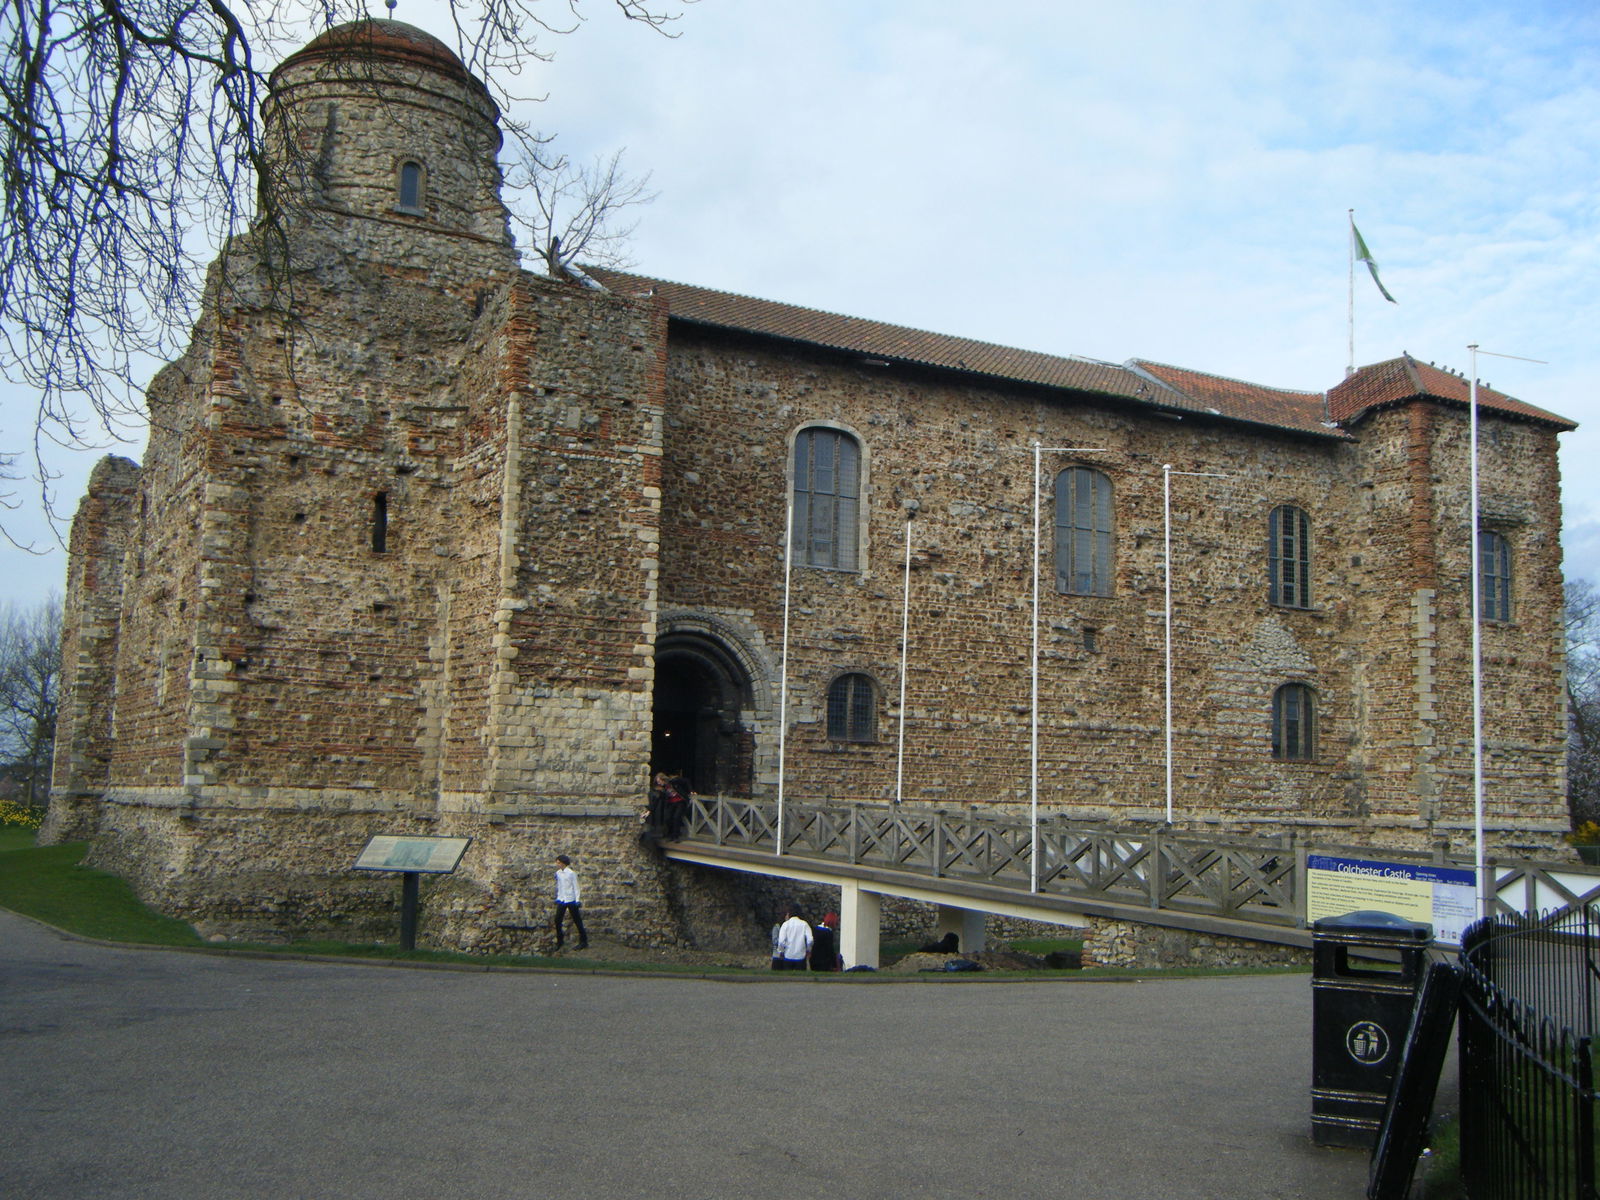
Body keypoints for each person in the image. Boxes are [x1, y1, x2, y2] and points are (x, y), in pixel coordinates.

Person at [552, 854, 588, 951]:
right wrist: (558, 897)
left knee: (577, 920)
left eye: (559, 862)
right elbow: (559, 886)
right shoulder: (558, 873)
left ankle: (583, 941)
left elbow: (576, 887)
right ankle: (560, 940)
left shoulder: (571, 873)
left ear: (563, 863)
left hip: (571, 899)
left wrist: (577, 900)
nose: (557, 864)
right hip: (562, 899)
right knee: (557, 920)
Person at [650, 771, 690, 840]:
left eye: (659, 781)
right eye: (658, 782)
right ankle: (670, 834)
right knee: (668, 818)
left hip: (680, 801)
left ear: (663, 779)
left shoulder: (673, 781)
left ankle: (676, 836)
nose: (659, 783)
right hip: (671, 803)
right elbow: (659, 799)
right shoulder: (662, 788)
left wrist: (691, 790)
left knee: (676, 817)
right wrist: (651, 809)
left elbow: (686, 781)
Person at [773, 905, 813, 970]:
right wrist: (809, 950)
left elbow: (781, 941)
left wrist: (781, 951)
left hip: (788, 955)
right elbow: (810, 940)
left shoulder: (785, 924)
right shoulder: (804, 924)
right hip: (800, 956)